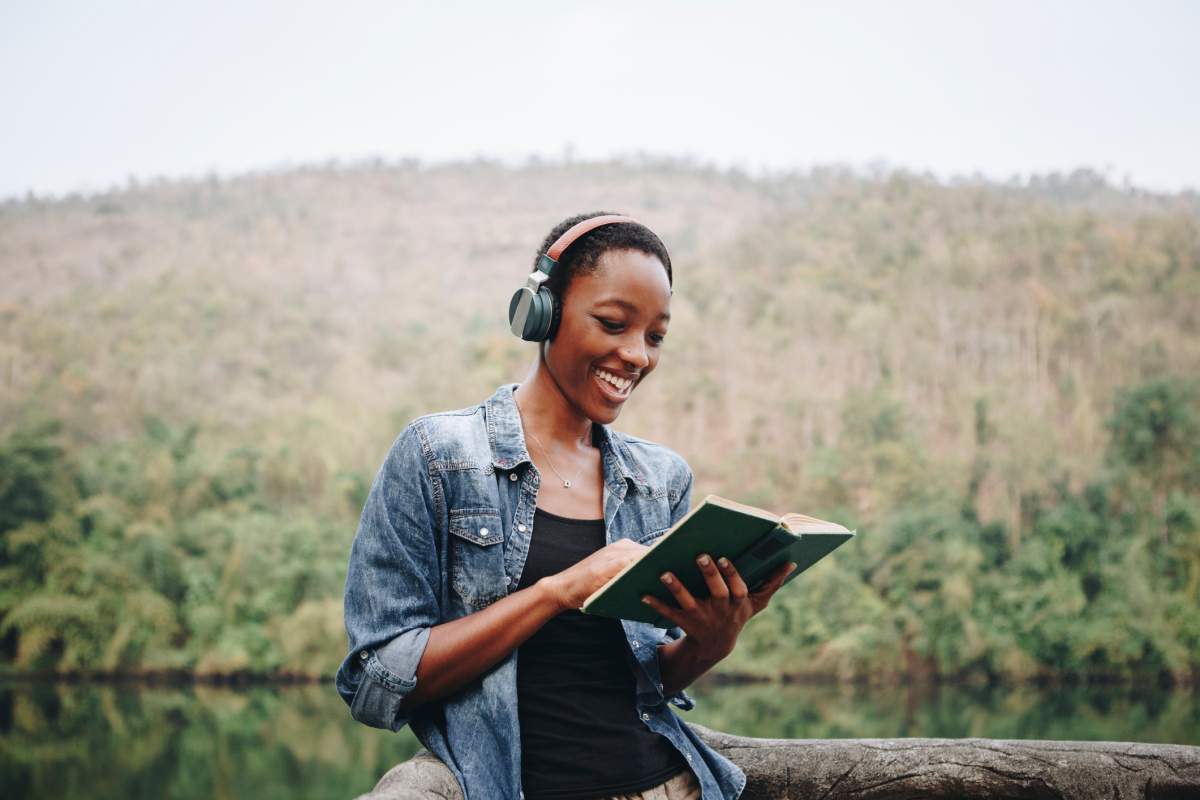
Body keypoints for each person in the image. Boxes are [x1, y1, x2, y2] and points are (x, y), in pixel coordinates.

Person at [336, 212, 796, 800]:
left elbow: (644, 680)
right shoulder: (438, 456)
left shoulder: (660, 479)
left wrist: (713, 641)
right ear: (541, 312)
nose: (637, 356)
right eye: (612, 324)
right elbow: (376, 679)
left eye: (656, 336)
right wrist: (556, 593)